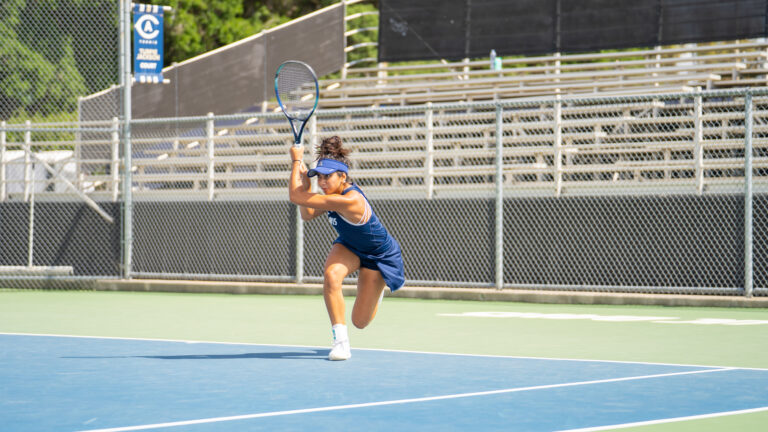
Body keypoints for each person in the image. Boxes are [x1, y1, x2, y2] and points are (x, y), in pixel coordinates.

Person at [288, 136, 405, 361]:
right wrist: (305, 184)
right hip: (349, 245)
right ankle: (341, 343)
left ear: (342, 176)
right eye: (319, 177)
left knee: (360, 322)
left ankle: (376, 289)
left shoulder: (351, 200)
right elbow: (307, 214)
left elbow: (295, 197)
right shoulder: (331, 195)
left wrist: (296, 162)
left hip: (379, 255)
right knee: (331, 275)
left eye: (327, 177)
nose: (322, 182)